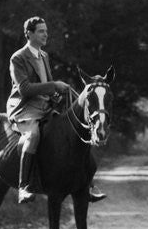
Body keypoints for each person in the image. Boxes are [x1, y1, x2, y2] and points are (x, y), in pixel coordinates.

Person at [6, 16, 106, 203]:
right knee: (33, 135)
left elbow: (47, 85)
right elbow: (25, 89)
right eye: (41, 31)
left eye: (46, 31)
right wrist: (54, 86)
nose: (46, 34)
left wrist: (57, 95)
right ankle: (23, 187)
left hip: (45, 106)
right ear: (29, 33)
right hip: (24, 108)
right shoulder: (18, 57)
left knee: (73, 131)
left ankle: (87, 184)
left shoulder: (44, 55)